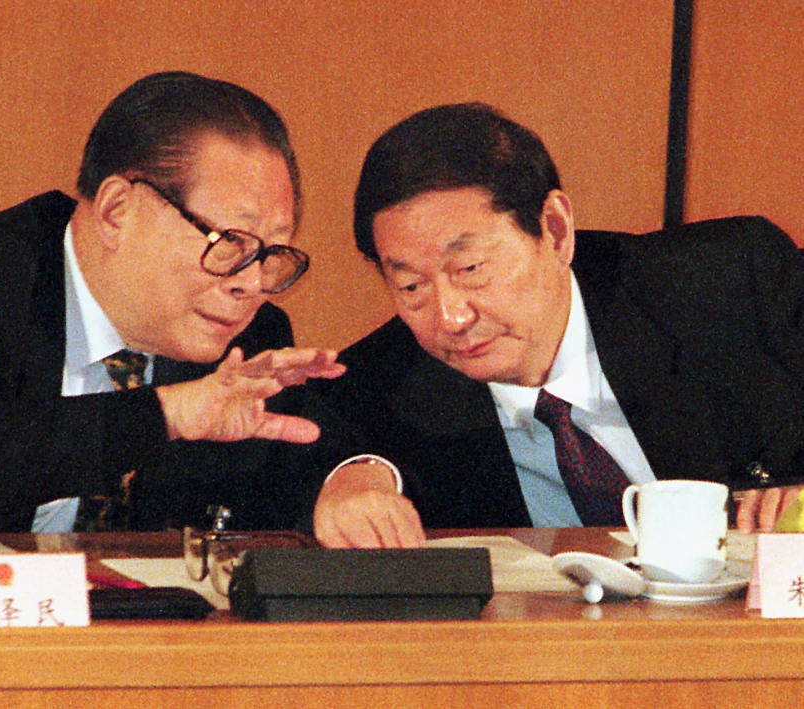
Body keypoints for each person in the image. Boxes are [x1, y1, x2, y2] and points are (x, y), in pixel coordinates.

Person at [0, 71, 344, 533]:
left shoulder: (251, 348)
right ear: (116, 211)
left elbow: (281, 495)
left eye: (270, 251)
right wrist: (163, 415)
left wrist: (352, 483)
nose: (250, 282)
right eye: (231, 242)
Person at [307, 102, 804, 548]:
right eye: (411, 286)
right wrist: (347, 482)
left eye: (472, 269)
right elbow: (294, 471)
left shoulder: (732, 282)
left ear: (555, 230)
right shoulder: (374, 388)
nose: (451, 318)